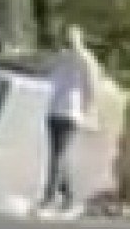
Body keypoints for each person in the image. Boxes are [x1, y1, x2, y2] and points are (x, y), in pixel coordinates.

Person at [42, 24, 108, 215]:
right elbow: (49, 73)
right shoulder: (62, 57)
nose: (69, 41)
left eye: (72, 37)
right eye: (67, 37)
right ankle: (68, 198)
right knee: (58, 155)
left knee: (58, 156)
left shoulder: (86, 59)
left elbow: (93, 85)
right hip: (55, 110)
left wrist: (90, 111)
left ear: (79, 38)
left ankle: (49, 200)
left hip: (71, 112)